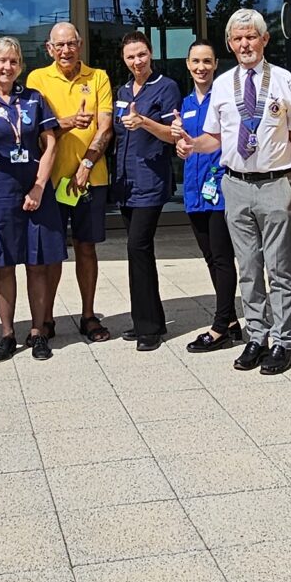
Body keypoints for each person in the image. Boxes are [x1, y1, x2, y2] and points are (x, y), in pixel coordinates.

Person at [184, 9, 291, 376]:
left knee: (279, 267)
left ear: (265, 40)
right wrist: (190, 144)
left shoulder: (283, 80)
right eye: (238, 38)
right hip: (234, 184)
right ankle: (257, 335)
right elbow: (214, 138)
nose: (245, 43)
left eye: (252, 36)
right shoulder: (222, 84)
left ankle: (283, 341)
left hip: (274, 182)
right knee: (248, 267)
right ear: (230, 44)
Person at [0, 37, 64, 361]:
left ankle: (38, 332)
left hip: (35, 188)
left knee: (37, 263)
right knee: (4, 264)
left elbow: (50, 143)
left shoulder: (34, 99)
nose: (7, 67)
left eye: (13, 61)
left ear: (20, 66)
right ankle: (7, 335)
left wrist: (39, 186)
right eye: (1, 61)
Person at [27, 21, 117, 343]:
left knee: (86, 248)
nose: (66, 50)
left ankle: (89, 315)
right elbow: (36, 131)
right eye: (59, 45)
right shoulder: (37, 79)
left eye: (71, 44)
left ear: (80, 45)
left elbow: (105, 128)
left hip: (90, 180)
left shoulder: (98, 78)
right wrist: (65, 123)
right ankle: (47, 318)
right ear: (49, 49)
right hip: (49, 181)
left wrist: (87, 164)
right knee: (51, 252)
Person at [111, 31, 185, 350]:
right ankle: (150, 316)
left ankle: (148, 330)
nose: (137, 61)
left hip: (151, 181)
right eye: (131, 56)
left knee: (136, 247)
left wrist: (144, 122)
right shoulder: (123, 90)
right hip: (126, 183)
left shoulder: (166, 87)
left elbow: (173, 134)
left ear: (150, 54)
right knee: (141, 252)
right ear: (124, 59)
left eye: (141, 55)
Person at [175, 40, 242, 354]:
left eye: (207, 61)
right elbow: (186, 144)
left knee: (222, 257)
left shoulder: (224, 100)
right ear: (188, 64)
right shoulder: (186, 103)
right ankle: (230, 322)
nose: (201, 67)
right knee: (209, 257)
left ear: (216, 65)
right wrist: (179, 146)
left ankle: (220, 325)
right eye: (195, 61)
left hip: (220, 191)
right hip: (194, 191)